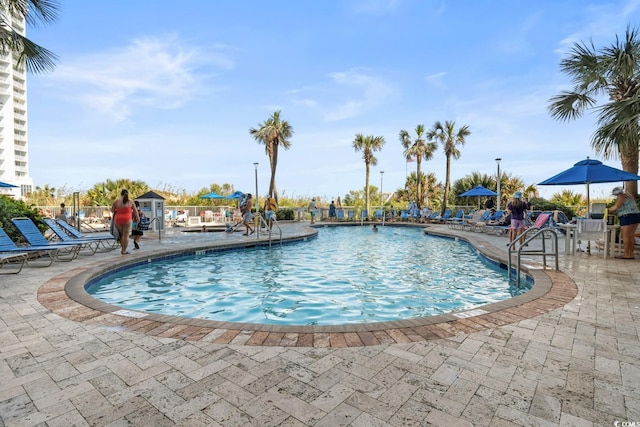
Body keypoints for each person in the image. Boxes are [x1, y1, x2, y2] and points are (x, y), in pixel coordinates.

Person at [608, 186, 640, 259]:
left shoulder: (622, 197)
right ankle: (631, 254)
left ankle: (626, 254)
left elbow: (616, 207)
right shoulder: (629, 195)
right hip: (636, 215)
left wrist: (607, 210)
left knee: (625, 236)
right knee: (631, 235)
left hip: (627, 217)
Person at [111, 189, 139, 255]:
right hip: (127, 219)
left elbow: (112, 210)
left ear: (121, 194)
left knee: (121, 235)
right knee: (125, 235)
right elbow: (135, 211)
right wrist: (138, 218)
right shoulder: (130, 201)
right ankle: (124, 250)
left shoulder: (116, 201)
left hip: (118, 219)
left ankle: (122, 249)